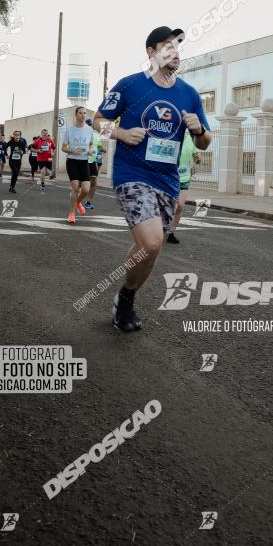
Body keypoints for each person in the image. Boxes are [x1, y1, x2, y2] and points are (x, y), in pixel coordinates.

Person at [94, 25, 211, 332]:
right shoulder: (130, 85)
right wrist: (119, 132)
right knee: (152, 240)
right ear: (151, 53)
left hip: (168, 181)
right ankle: (126, 297)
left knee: (153, 247)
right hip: (132, 174)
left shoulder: (189, 94)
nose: (174, 52)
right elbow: (98, 121)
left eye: (177, 47)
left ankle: (126, 297)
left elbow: (205, 141)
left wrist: (198, 129)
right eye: (167, 46)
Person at [167, 130, 201, 244]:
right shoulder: (170, 138)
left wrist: (197, 158)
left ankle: (170, 233)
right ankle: (160, 230)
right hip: (170, 178)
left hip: (184, 179)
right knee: (170, 206)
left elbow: (197, 157)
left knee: (180, 206)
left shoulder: (190, 141)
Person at [62, 107, 94, 224]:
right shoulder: (69, 130)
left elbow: (91, 145)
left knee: (86, 189)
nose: (83, 115)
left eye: (85, 113)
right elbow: (63, 147)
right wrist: (71, 150)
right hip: (72, 161)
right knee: (75, 188)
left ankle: (78, 202)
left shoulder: (90, 130)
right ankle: (71, 213)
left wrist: (91, 151)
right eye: (80, 113)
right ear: (76, 115)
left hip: (84, 161)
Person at [83, 118, 105, 210]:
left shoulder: (96, 135)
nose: (90, 126)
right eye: (89, 124)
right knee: (83, 182)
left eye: (91, 125)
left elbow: (99, 146)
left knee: (94, 182)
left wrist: (103, 149)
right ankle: (77, 199)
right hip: (83, 160)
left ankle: (88, 202)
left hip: (92, 161)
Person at [32, 128, 55, 192]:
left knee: (48, 173)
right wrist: (37, 150)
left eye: (46, 133)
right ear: (41, 134)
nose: (45, 134)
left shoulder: (50, 140)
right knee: (43, 172)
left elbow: (53, 147)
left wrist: (52, 152)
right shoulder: (38, 141)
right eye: (43, 133)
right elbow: (32, 148)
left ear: (47, 134)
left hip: (49, 158)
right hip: (40, 159)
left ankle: (42, 178)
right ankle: (42, 184)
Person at [6, 129, 28, 193]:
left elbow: (24, 151)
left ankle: (12, 187)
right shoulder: (11, 141)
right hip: (12, 160)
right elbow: (5, 148)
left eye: (18, 135)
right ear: (13, 135)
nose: (17, 136)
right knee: (15, 172)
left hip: (18, 160)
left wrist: (22, 152)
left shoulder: (22, 142)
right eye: (15, 135)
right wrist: (7, 154)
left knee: (16, 174)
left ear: (20, 136)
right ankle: (12, 187)